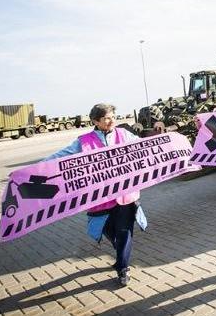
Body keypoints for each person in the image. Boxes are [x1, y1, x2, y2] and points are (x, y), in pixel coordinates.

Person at [46, 103, 145, 286]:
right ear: (95, 121)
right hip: (99, 198)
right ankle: (121, 252)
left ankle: (123, 268)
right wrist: (34, 169)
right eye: (107, 118)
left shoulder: (124, 134)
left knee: (124, 231)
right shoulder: (83, 141)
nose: (111, 121)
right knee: (108, 230)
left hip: (124, 195)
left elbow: (144, 146)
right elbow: (61, 155)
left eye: (113, 116)